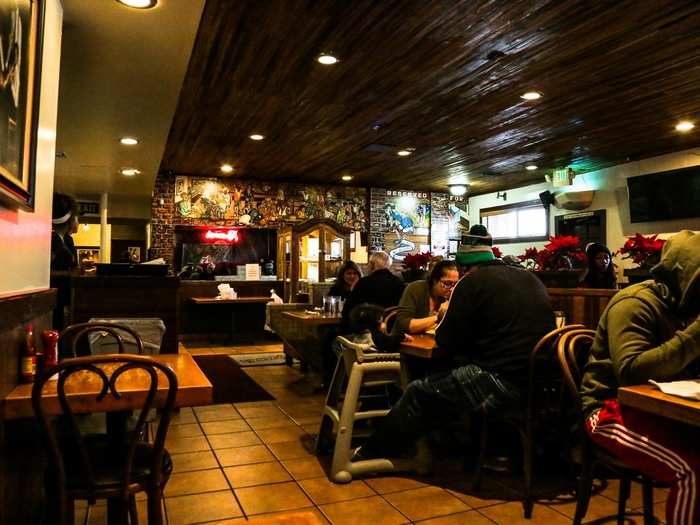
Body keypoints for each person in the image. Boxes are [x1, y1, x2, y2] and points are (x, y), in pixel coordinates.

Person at [354, 228, 555, 461]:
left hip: (500, 381)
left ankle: (370, 454)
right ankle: (460, 446)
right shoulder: (530, 278)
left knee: (419, 391)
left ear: (464, 267)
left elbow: (446, 342)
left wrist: (444, 315)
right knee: (447, 380)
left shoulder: (470, 283)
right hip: (542, 382)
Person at [580, 230, 700, 525]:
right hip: (607, 410)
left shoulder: (684, 307)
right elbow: (631, 371)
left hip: (664, 410)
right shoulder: (635, 303)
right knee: (693, 470)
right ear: (681, 275)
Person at [340, 251, 405, 333]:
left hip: (366, 332)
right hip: (392, 331)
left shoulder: (364, 283)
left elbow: (348, 310)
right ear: (388, 265)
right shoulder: (399, 283)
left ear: (372, 265)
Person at [394, 260, 459, 335]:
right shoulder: (415, 289)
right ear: (434, 280)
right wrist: (439, 317)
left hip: (430, 341)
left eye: (455, 284)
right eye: (447, 283)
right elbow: (403, 325)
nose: (452, 289)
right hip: (407, 342)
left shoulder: (452, 294)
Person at [50, 193, 80, 331]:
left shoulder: (60, 238)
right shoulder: (54, 239)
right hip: (55, 299)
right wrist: (69, 273)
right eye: (77, 217)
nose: (78, 221)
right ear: (70, 219)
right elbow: (42, 272)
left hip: (59, 298)